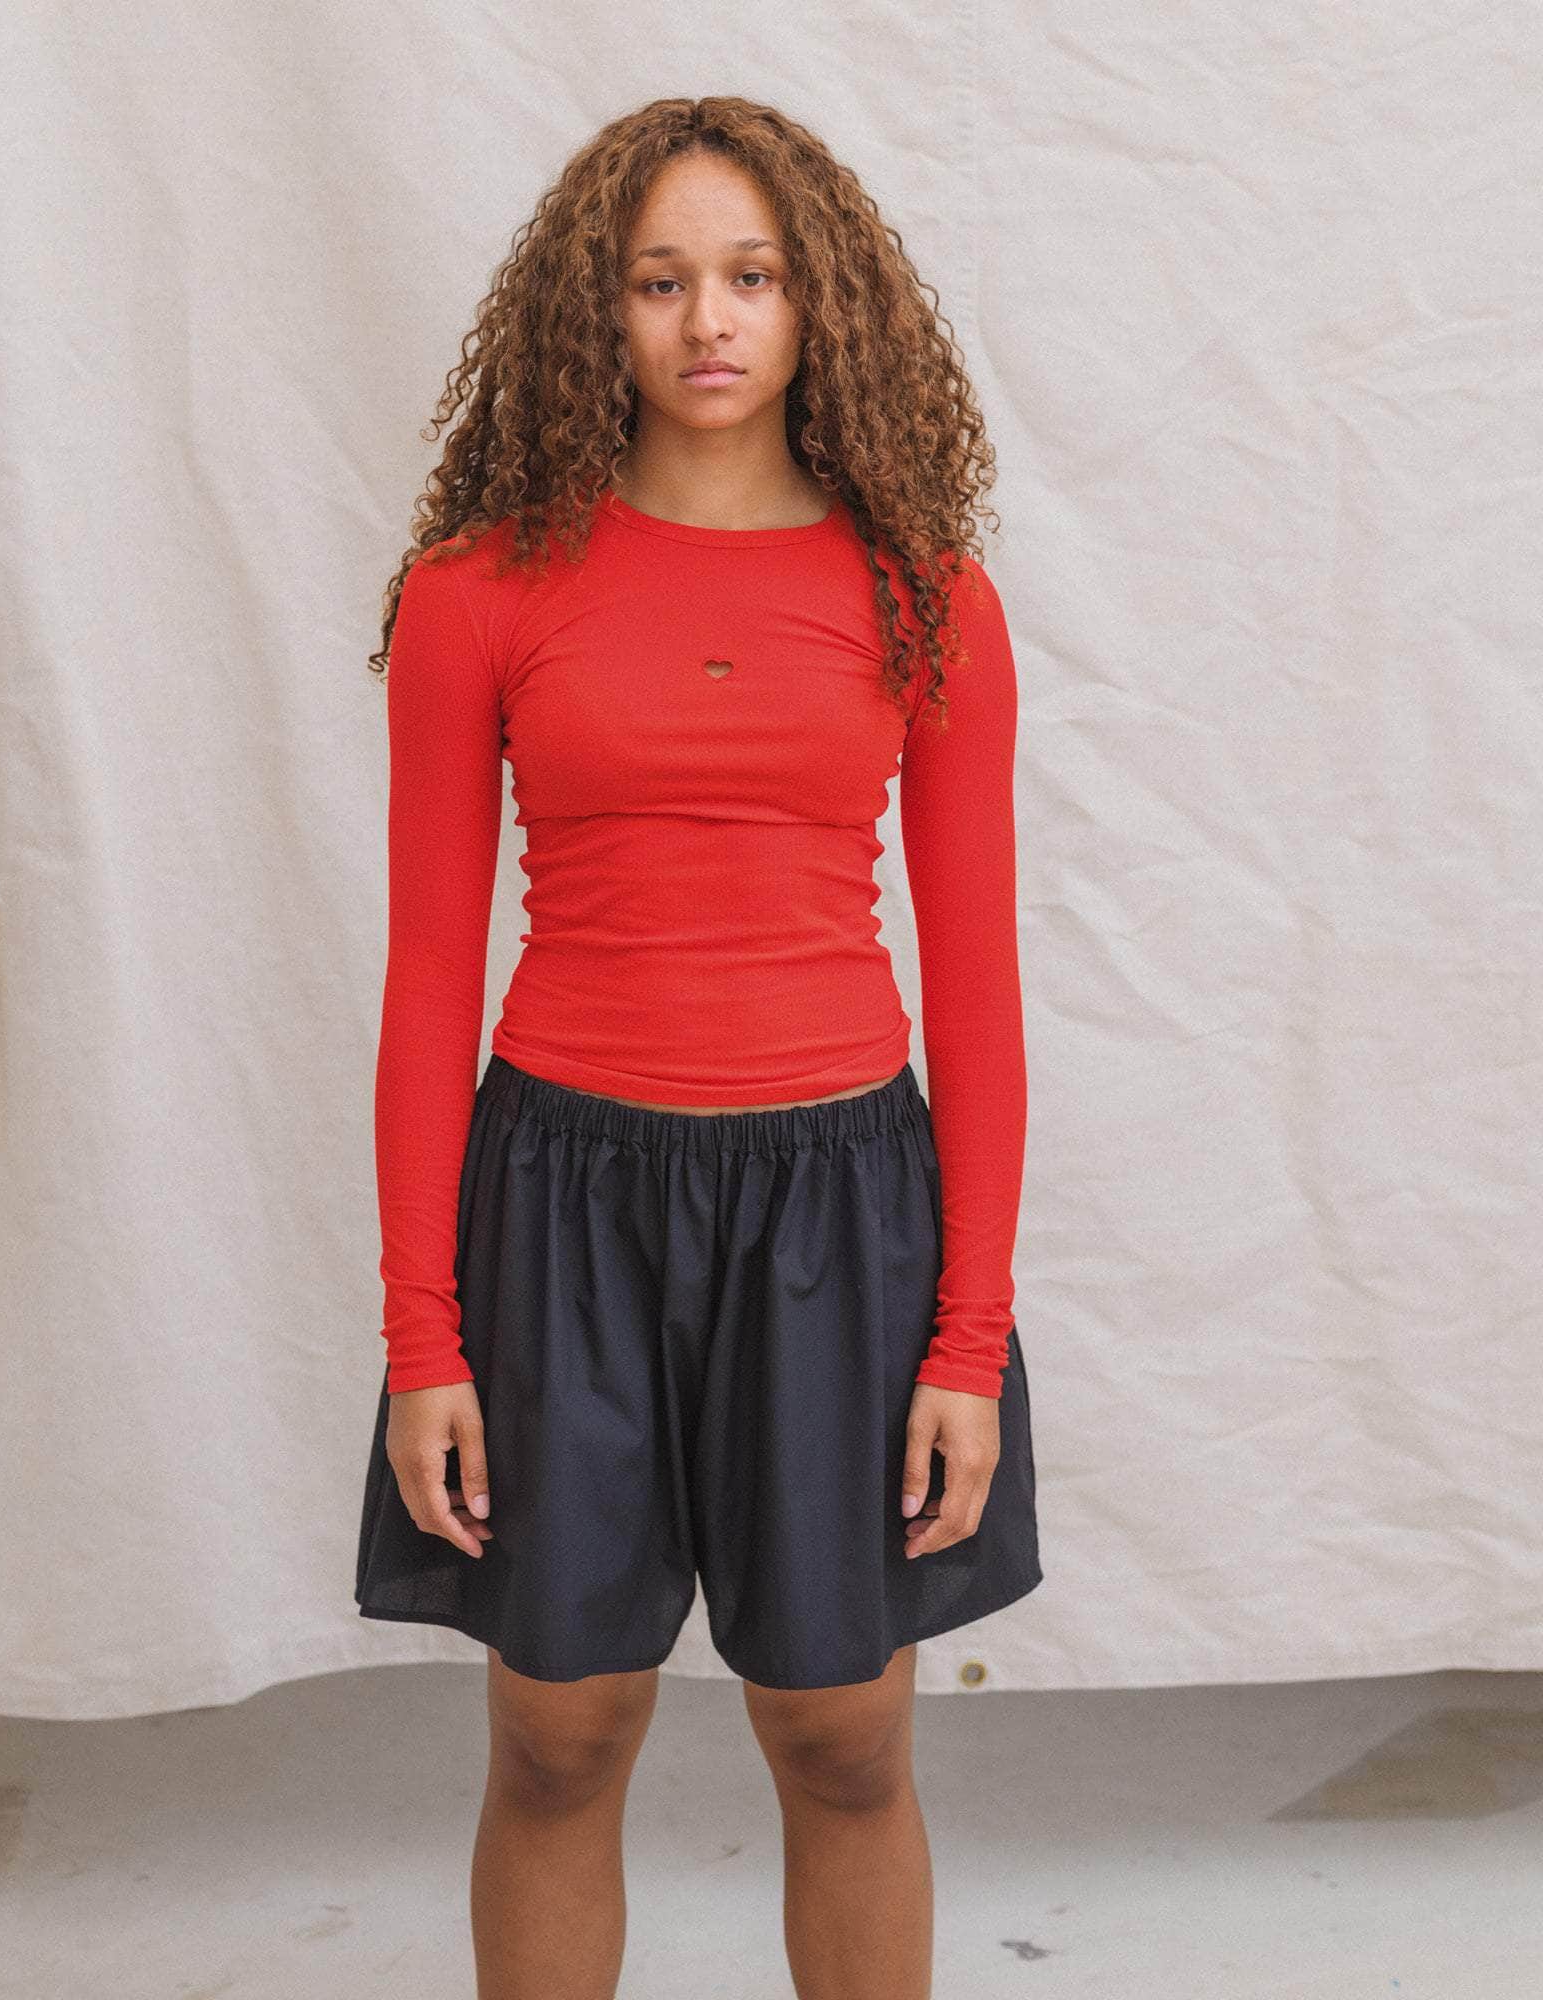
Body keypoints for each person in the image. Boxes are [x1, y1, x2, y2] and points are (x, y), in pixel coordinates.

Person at [354, 93, 1041, 2000]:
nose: (710, 320)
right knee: (557, 1736)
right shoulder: (478, 592)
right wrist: (424, 1335)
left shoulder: (926, 597)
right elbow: (429, 977)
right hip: (561, 1205)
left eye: (752, 275)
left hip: (839, 1210)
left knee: (845, 1736)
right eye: (661, 281)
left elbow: (980, 992)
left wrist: (966, 1338)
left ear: (822, 305)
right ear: (599, 310)